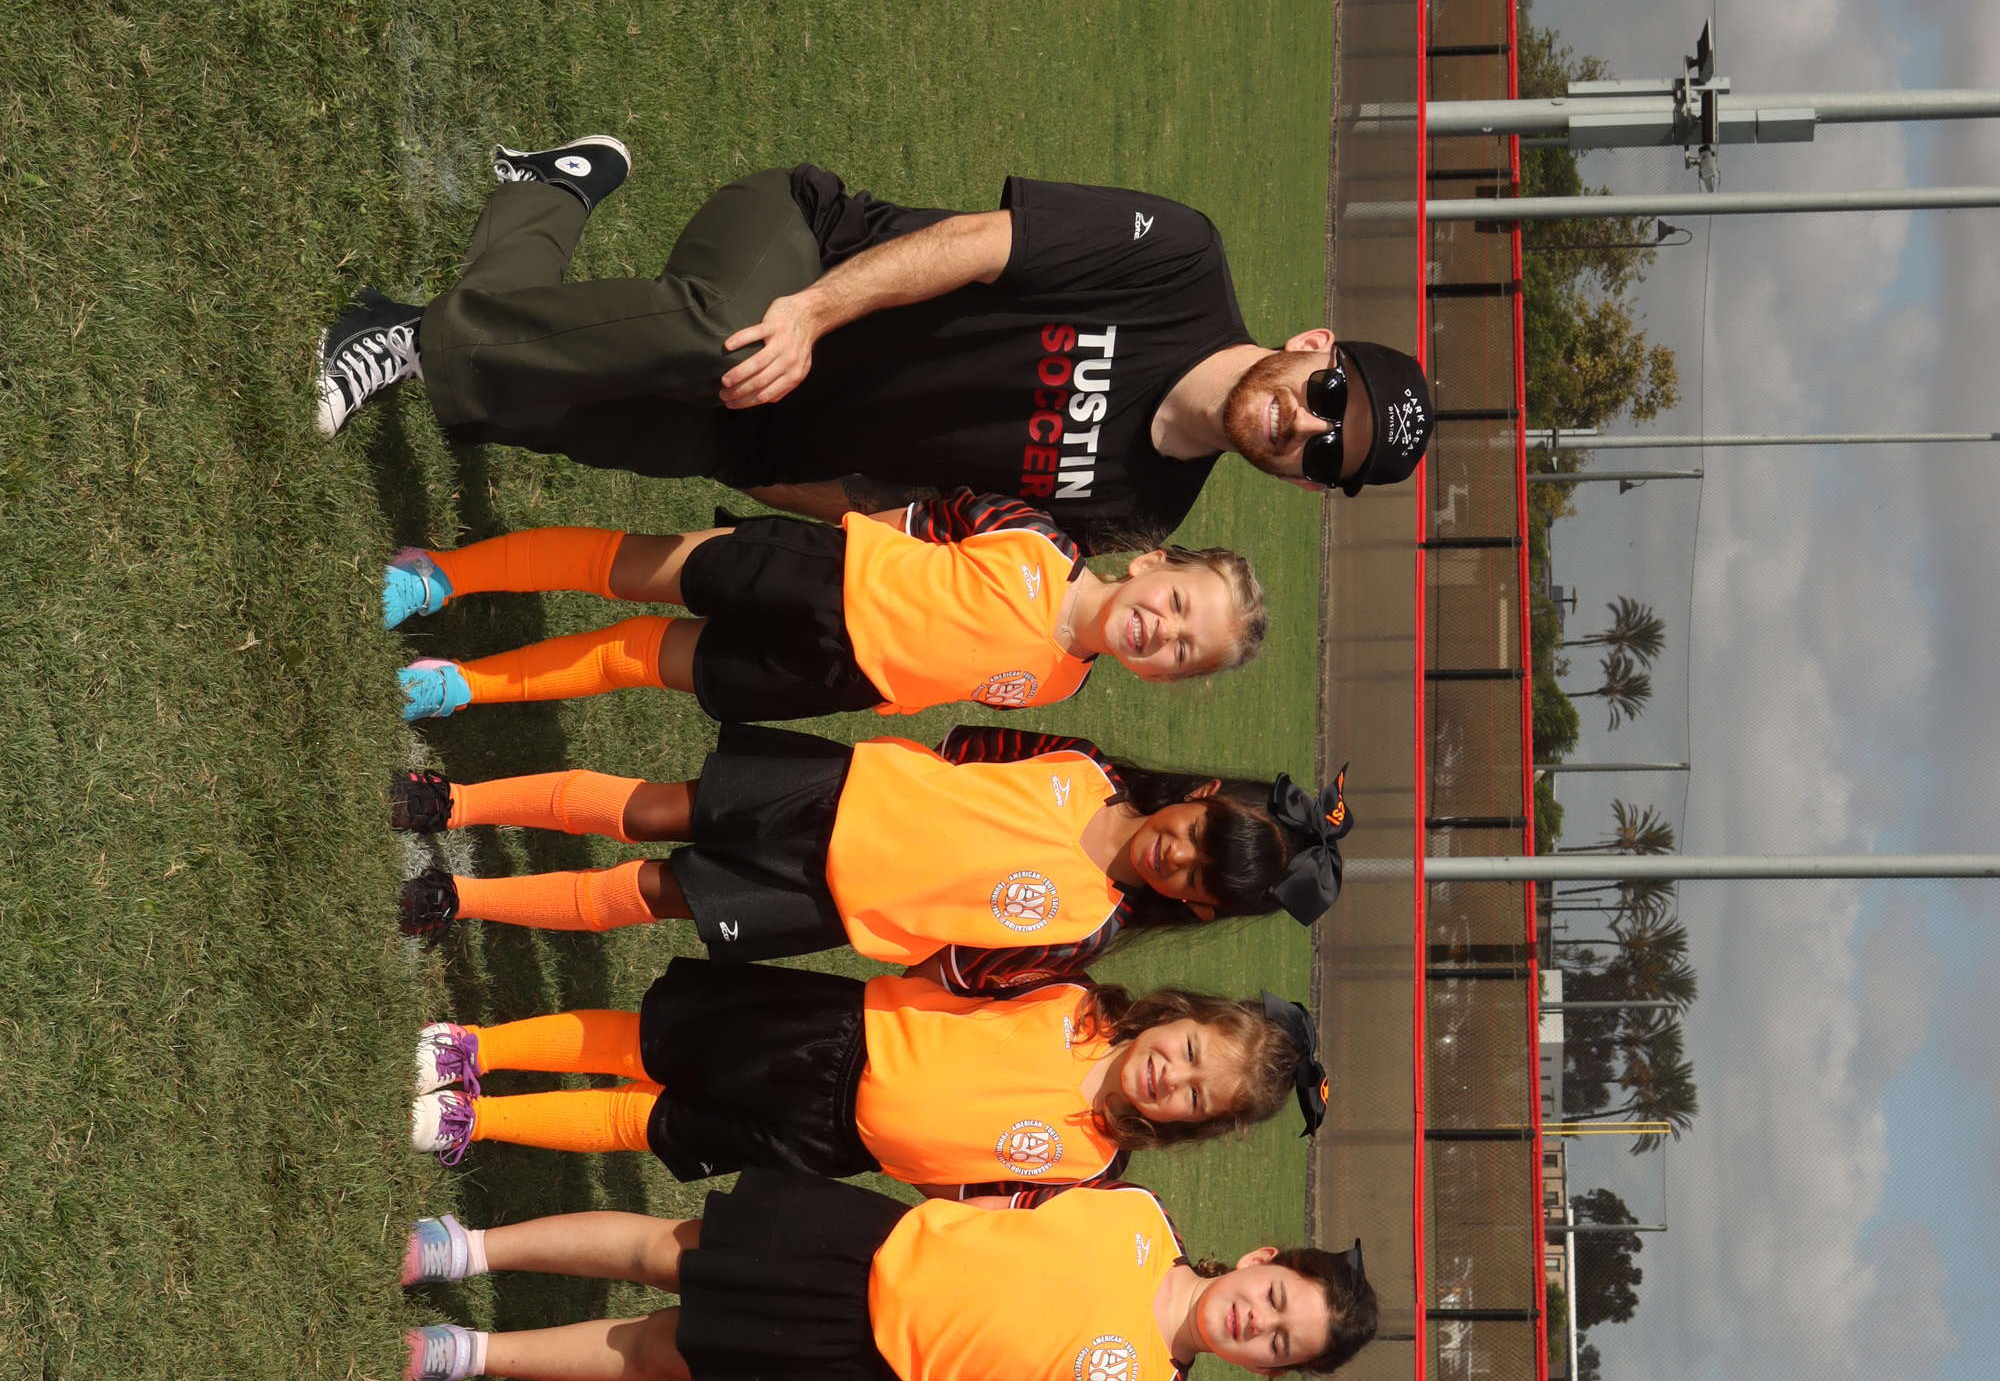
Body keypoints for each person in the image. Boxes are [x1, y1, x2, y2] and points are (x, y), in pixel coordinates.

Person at [313, 143, 1437, 544]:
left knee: (512, 401)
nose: (1305, 422)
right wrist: (808, 312)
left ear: (1305, 482)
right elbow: (972, 246)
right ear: (1313, 342)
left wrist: (772, 481)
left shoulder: (1139, 513)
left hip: (766, 434)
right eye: (1329, 392)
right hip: (808, 251)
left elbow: (925, 522)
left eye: (1324, 450)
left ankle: (554, 190)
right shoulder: (1180, 261)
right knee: (716, 337)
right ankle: (397, 333)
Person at [400, 1182, 1379, 1381]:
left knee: (666, 1351)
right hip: (863, 1246)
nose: (1257, 1322)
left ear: (1264, 1372)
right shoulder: (1137, 1211)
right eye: (1276, 1299)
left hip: (865, 1368)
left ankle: (470, 1351)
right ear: (1262, 1261)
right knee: (670, 1250)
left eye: (1278, 1343)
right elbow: (1001, 1194)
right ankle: (469, 1248)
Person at [391, 723, 1354, 973]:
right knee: (650, 811)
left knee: (651, 892)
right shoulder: (1082, 766)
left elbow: (963, 968)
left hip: (824, 902)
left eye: (1195, 877)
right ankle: (456, 801)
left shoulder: (1084, 929)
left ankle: (458, 901)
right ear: (1196, 800)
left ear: (1194, 906)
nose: (1177, 856)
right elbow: (969, 749)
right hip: (832, 789)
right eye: (1196, 837)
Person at [381, 499, 1265, 728]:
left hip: (825, 679)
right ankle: (439, 578)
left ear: (1163, 677)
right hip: (817, 575)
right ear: (1152, 563)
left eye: (1183, 650)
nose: (1164, 630)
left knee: (635, 659)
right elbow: (919, 518)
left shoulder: (1059, 689)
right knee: (628, 569)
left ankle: (459, 687)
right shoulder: (1035, 537)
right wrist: (803, 539)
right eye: (1178, 604)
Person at [403, 975, 1328, 1194]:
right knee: (652, 1044)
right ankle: (475, 1047)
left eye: (1195, 1096)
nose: (1173, 1076)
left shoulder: (1090, 1165)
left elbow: (971, 1197)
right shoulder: (1072, 997)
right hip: (837, 1032)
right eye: (1190, 1050)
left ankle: (477, 1122)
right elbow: (957, 956)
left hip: (832, 1139)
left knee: (655, 1123)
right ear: (1178, 1014)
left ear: (1192, 1126)